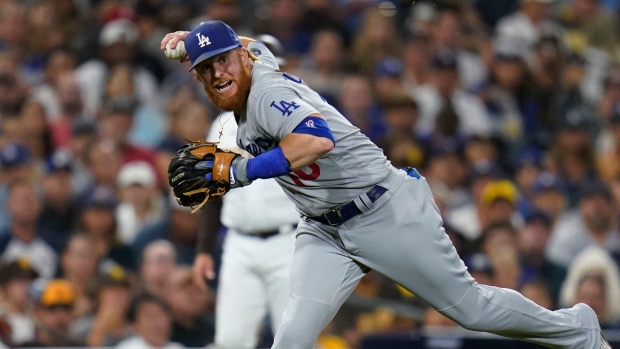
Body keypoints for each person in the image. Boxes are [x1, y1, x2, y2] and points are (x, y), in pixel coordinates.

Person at [161, 20, 610, 349]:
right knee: (292, 336)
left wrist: (238, 172)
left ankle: (578, 331)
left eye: (224, 60)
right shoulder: (252, 59)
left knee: (471, 310)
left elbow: (316, 140)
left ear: (242, 58)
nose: (219, 72)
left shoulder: (265, 95)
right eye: (206, 68)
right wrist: (190, 45)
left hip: (384, 210)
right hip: (323, 228)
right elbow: (241, 42)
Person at [195, 35, 300, 349]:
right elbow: (213, 192)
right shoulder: (223, 124)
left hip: (290, 242)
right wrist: (203, 249)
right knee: (229, 341)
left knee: (293, 341)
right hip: (239, 245)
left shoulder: (298, 116)